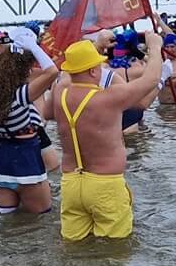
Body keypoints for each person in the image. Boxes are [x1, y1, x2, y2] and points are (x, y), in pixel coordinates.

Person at [52, 35, 162, 241]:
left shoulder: (60, 92)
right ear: (93, 71)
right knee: (115, 249)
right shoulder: (109, 98)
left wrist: (93, 48)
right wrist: (155, 47)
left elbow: (64, 80)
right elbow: (151, 80)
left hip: (71, 182)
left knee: (73, 246)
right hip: (105, 184)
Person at [0, 33, 59, 215]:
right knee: (41, 222)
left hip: (2, 164)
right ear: (23, 70)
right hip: (26, 164)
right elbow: (52, 71)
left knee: (9, 224)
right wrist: (34, 48)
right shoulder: (20, 95)